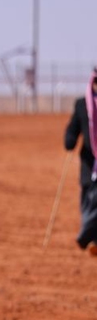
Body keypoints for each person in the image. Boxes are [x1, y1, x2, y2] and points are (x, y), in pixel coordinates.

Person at [64, 68, 97, 255]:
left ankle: (87, 237)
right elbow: (72, 129)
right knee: (86, 202)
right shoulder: (82, 105)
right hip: (88, 165)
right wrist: (69, 140)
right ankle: (91, 237)